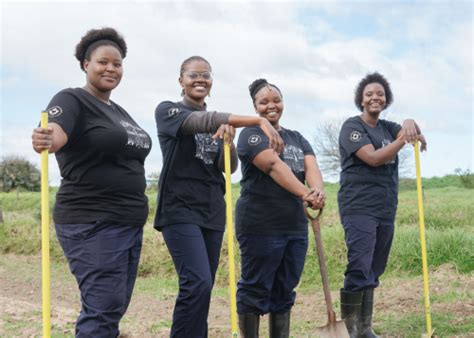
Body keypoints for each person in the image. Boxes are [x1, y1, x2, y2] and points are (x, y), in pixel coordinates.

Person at [31, 27, 152, 337]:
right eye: (103, 62)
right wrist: (47, 138)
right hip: (92, 222)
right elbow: (55, 130)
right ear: (86, 64)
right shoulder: (72, 99)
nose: (111, 68)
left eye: (117, 63)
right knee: (104, 307)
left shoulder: (119, 112)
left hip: (127, 223)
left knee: (112, 306)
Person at [154, 56, 285, 338]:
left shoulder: (219, 123)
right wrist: (258, 120)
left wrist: (228, 142)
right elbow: (205, 119)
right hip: (179, 210)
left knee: (203, 285)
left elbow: (229, 167)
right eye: (193, 75)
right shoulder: (168, 111)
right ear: (181, 81)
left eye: (206, 75)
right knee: (197, 282)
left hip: (211, 210)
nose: (200, 79)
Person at [337, 72, 427, 337]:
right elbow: (374, 158)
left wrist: (410, 123)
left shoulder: (387, 127)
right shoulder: (352, 127)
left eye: (380, 94)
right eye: (369, 94)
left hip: (385, 207)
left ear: (385, 99)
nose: (375, 97)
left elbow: (410, 130)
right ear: (361, 100)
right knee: (360, 265)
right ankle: (350, 331)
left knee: (375, 268)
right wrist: (404, 138)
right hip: (358, 206)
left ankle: (365, 328)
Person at [235, 78, 325, 338]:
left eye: (276, 100)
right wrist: (306, 193)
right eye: (264, 102)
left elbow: (311, 167)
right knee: (255, 288)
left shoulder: (297, 137)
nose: (271, 106)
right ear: (255, 107)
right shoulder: (251, 134)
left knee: (285, 288)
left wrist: (317, 190)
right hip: (260, 225)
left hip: (294, 225)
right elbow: (274, 166)